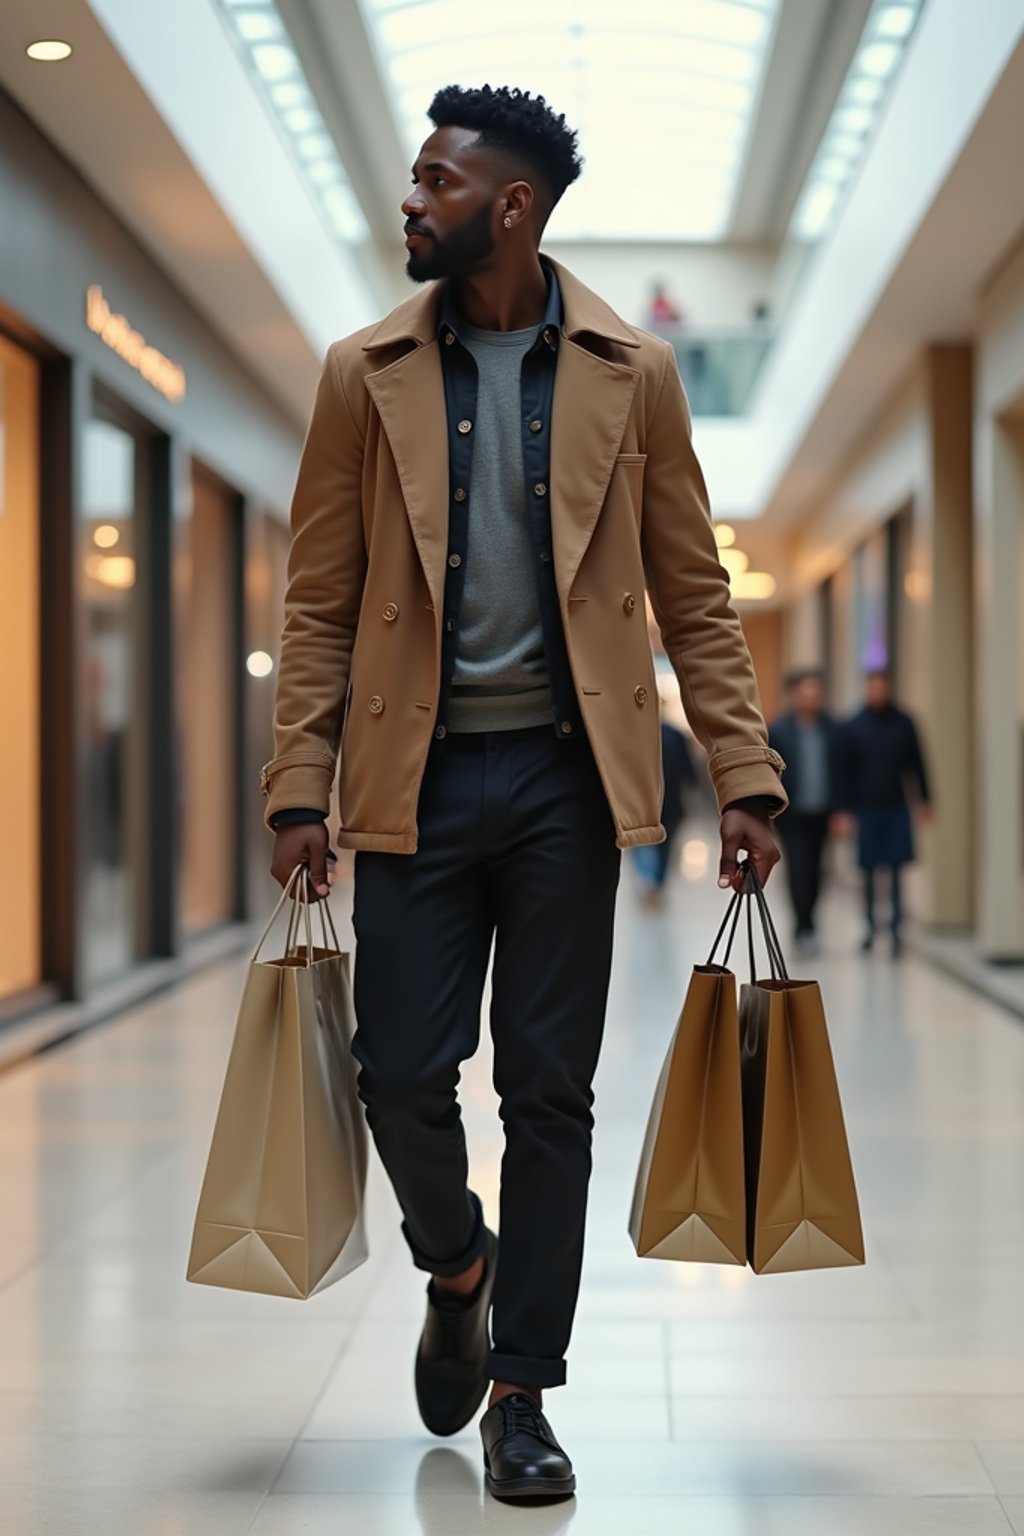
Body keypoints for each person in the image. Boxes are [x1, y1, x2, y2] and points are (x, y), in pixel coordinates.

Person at [261, 84, 786, 1502]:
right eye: (414, 176)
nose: (411, 200)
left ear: (513, 207)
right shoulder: (359, 372)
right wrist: (296, 782)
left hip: (566, 778)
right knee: (399, 1073)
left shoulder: (637, 371)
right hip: (409, 784)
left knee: (551, 1094)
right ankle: (459, 1266)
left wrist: (743, 772)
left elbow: (694, 592)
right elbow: (318, 602)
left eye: (437, 180)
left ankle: (521, 1396)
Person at [836, 670, 931, 957]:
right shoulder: (854, 726)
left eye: (882, 687)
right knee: (867, 871)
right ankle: (869, 928)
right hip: (865, 808)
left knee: (897, 869)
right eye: (872, 687)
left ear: (889, 688)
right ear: (866, 689)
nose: (877, 692)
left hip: (896, 807)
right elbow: (845, 773)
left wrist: (925, 799)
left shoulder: (904, 723)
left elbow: (918, 763)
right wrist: (844, 810)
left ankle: (896, 929)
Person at [768, 669, 842, 954]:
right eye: (805, 692)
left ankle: (809, 922)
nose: (811, 698)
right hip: (792, 813)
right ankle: (802, 926)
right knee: (798, 868)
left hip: (823, 812)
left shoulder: (833, 729)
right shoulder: (780, 730)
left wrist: (842, 810)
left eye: (816, 693)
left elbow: (842, 773)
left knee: (817, 870)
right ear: (795, 695)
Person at [632, 712, 698, 907]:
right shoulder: (637, 734)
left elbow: (687, 768)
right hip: (645, 802)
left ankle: (654, 885)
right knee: (643, 844)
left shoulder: (674, 735)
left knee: (662, 846)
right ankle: (649, 883)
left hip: (667, 802)